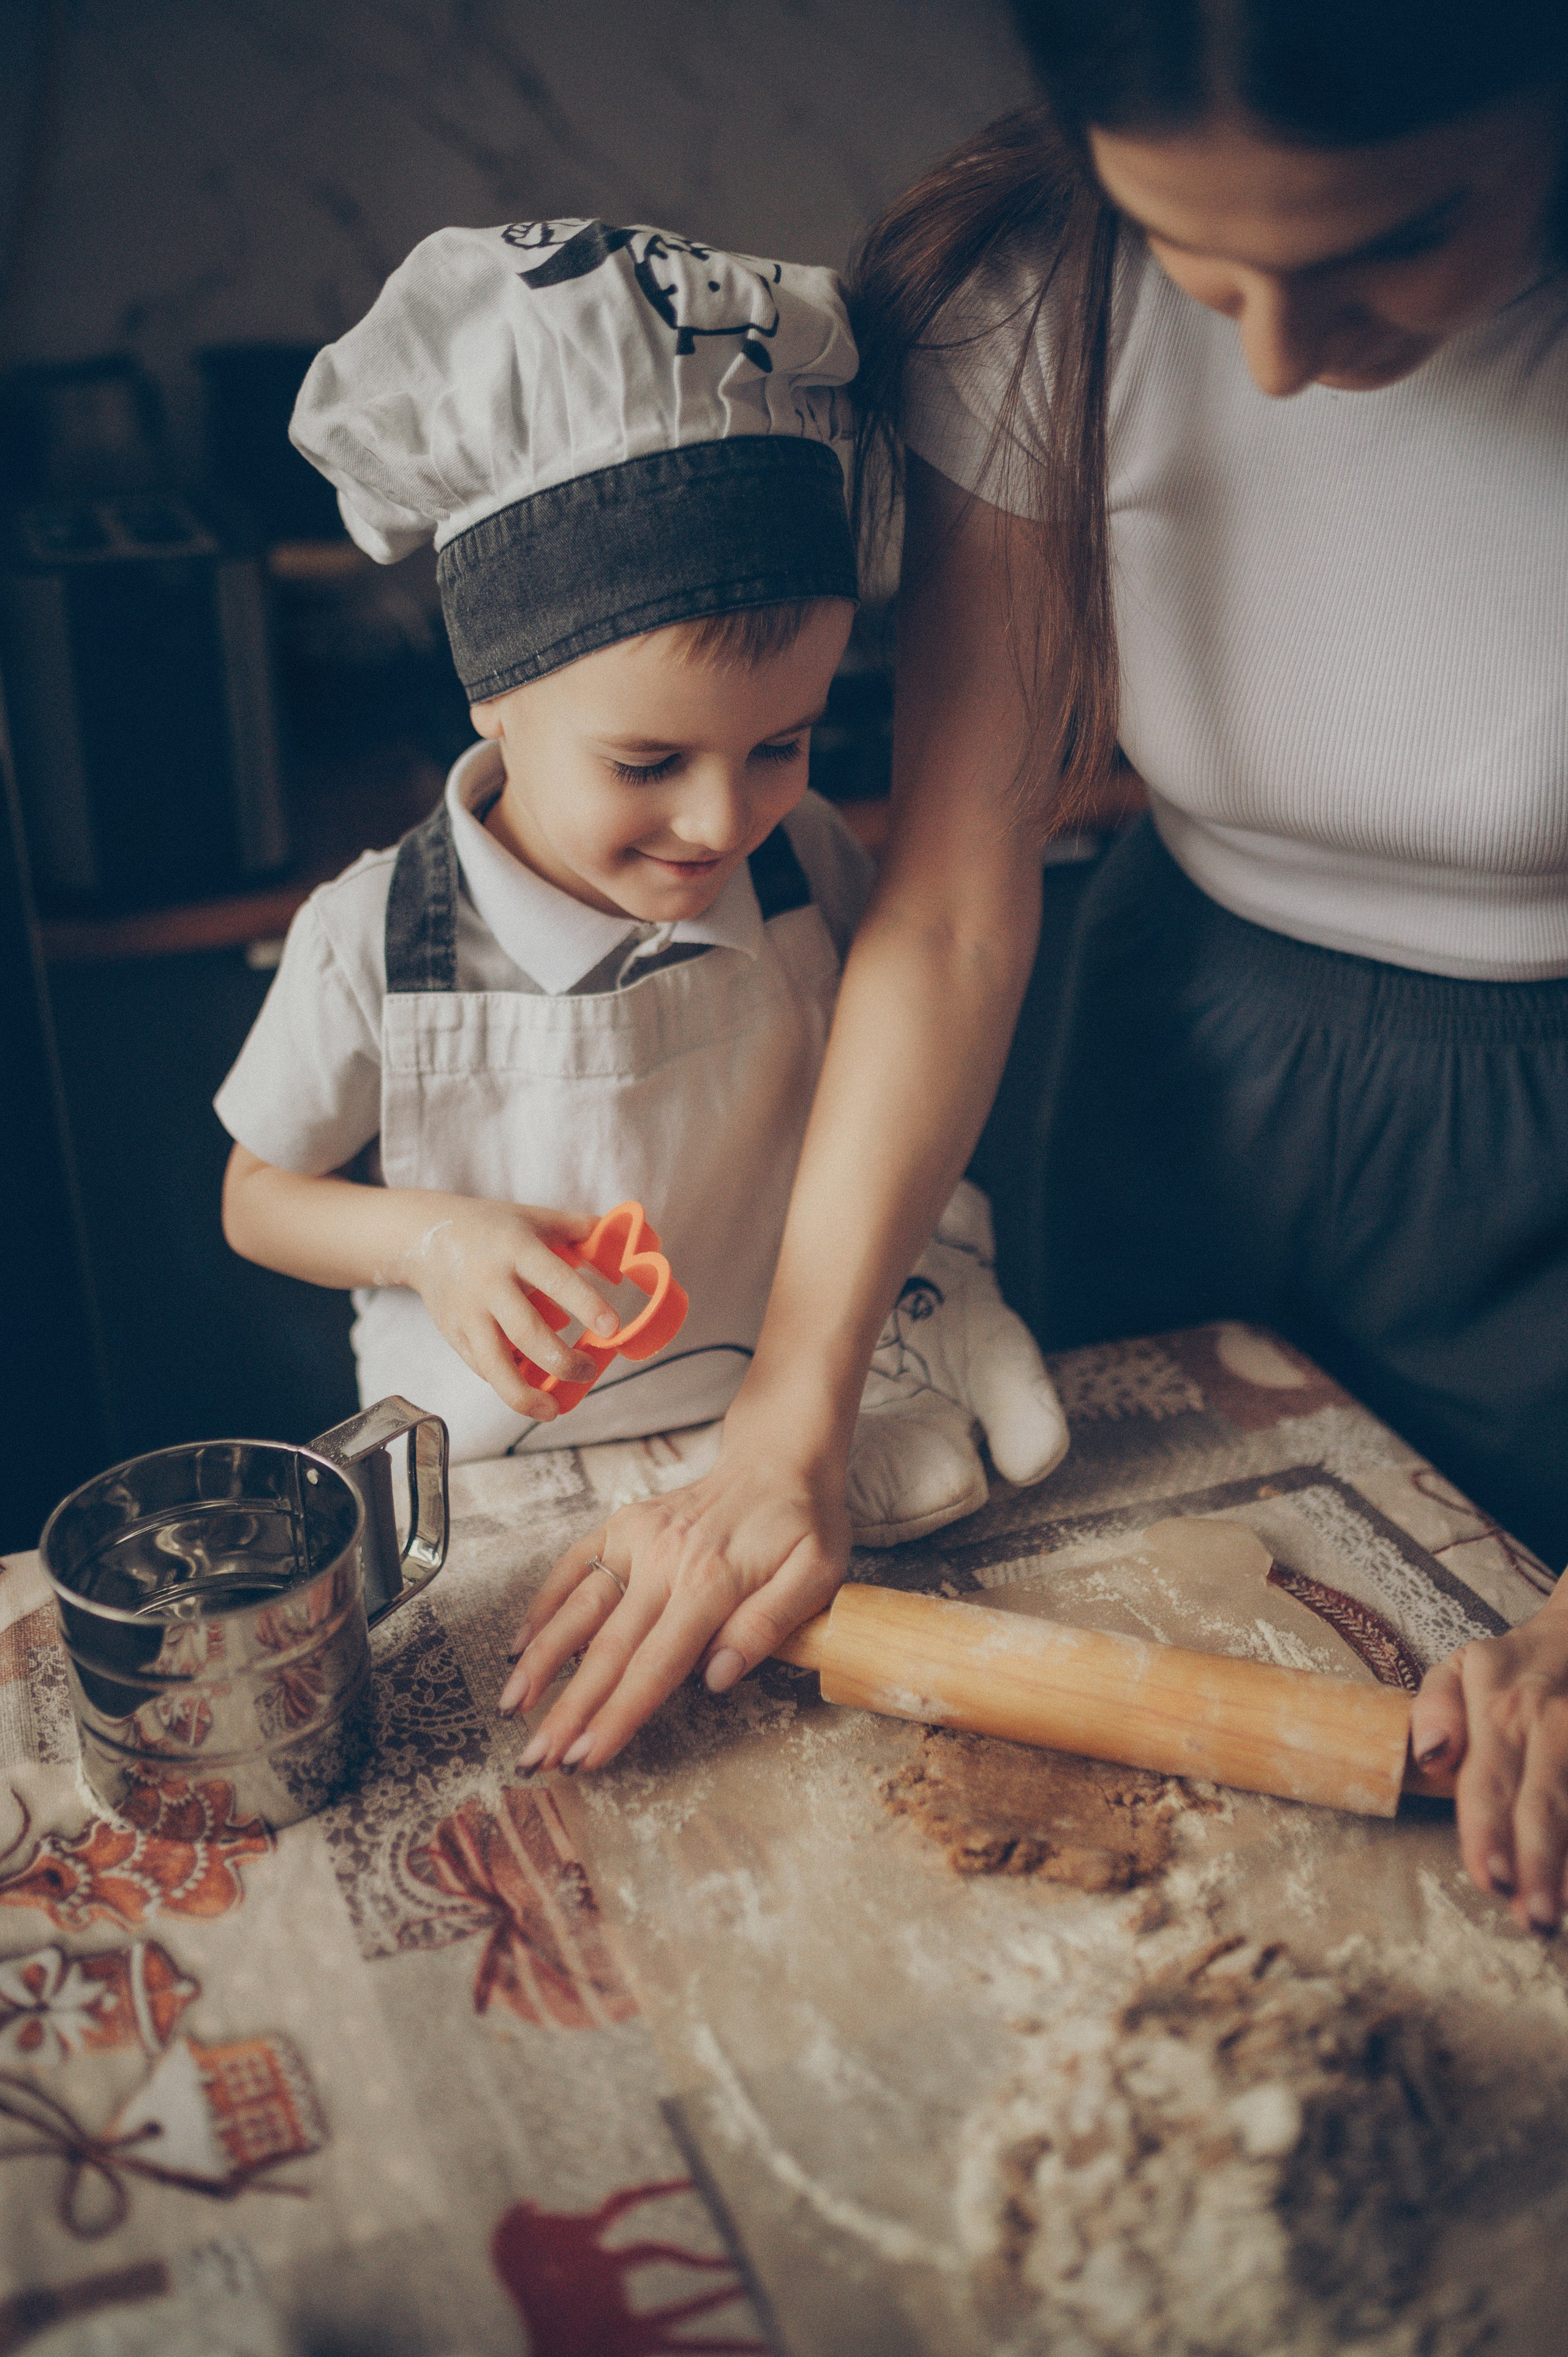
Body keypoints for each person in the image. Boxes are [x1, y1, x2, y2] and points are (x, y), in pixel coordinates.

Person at [507, 2, 1568, 1938]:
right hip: (1182, 1066)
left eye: (1391, 245)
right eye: (1201, 257)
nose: (1279, 357)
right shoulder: (1035, 296)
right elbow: (956, 900)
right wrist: (789, 1425)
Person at [215, 219, 1068, 1548]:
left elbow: (896, 1081)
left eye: (780, 744)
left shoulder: (809, 864)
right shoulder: (371, 938)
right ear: (493, 695)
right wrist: (432, 1242)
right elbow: (253, 1196)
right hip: (488, 1506)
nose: (722, 816)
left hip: (766, 1447)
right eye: (647, 759)